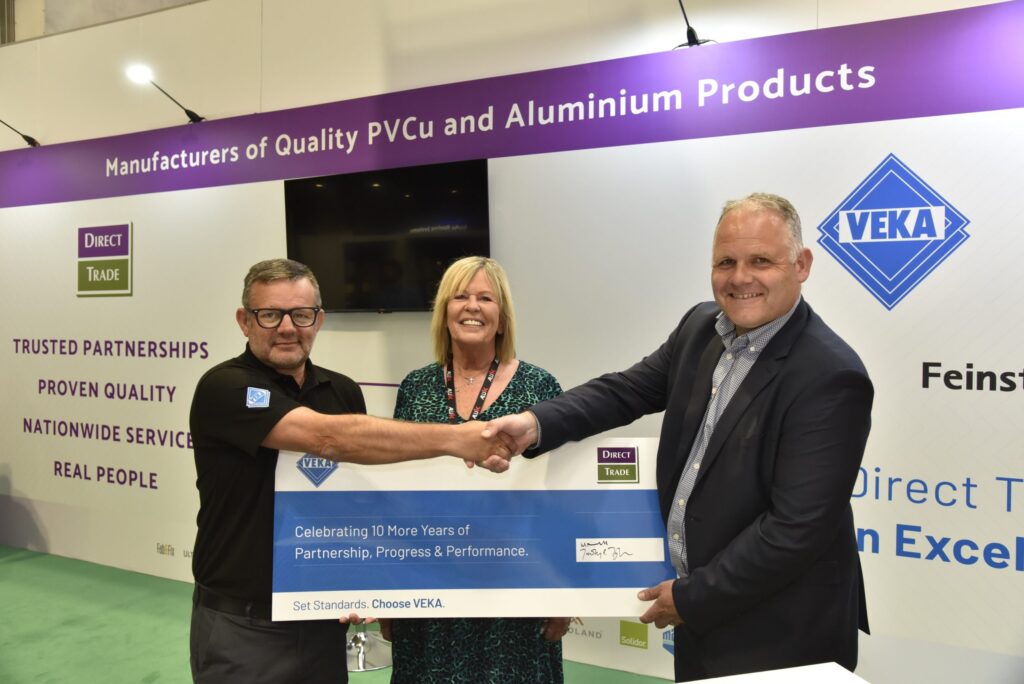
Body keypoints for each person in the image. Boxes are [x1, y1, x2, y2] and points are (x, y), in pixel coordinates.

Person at [485, 194, 873, 681]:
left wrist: (691, 598)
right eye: (726, 262)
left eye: (761, 261)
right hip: (704, 622)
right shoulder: (700, 327)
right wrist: (535, 423)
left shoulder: (830, 375)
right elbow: (626, 390)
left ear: (802, 265)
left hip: (782, 631)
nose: (740, 278)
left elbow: (796, 529)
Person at [189, 258, 512, 684]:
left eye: (301, 314)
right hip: (244, 628)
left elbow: (356, 502)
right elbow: (327, 438)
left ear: (319, 319)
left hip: (322, 625)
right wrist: (457, 439)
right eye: (269, 314)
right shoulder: (224, 387)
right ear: (244, 321)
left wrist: (366, 581)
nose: (287, 327)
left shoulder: (340, 391)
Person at [384, 256, 569, 683]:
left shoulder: (540, 386)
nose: (472, 306)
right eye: (460, 296)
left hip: (514, 588)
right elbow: (397, 492)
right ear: (444, 313)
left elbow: (558, 495)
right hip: (428, 586)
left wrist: (563, 593)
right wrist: (388, 591)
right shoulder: (414, 386)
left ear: (502, 318)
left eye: (485, 298)